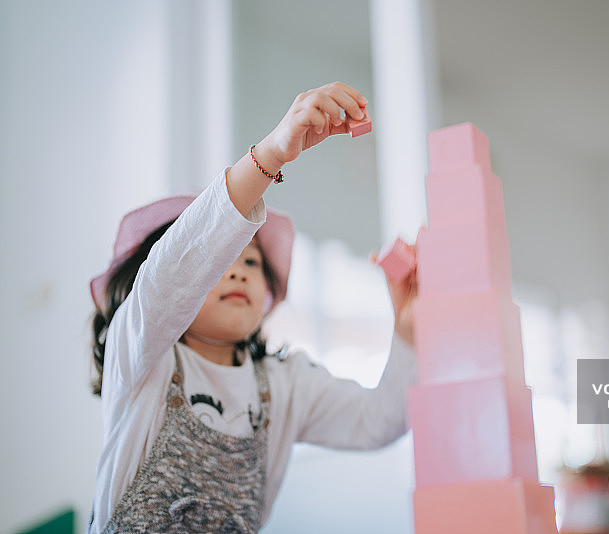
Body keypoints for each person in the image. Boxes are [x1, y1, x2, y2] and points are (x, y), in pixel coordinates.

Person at [87, 82, 418, 533]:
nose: (240, 271)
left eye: (252, 262)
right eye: (224, 260)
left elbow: (379, 420)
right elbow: (173, 272)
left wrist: (407, 330)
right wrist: (271, 156)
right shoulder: (143, 357)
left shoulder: (285, 386)